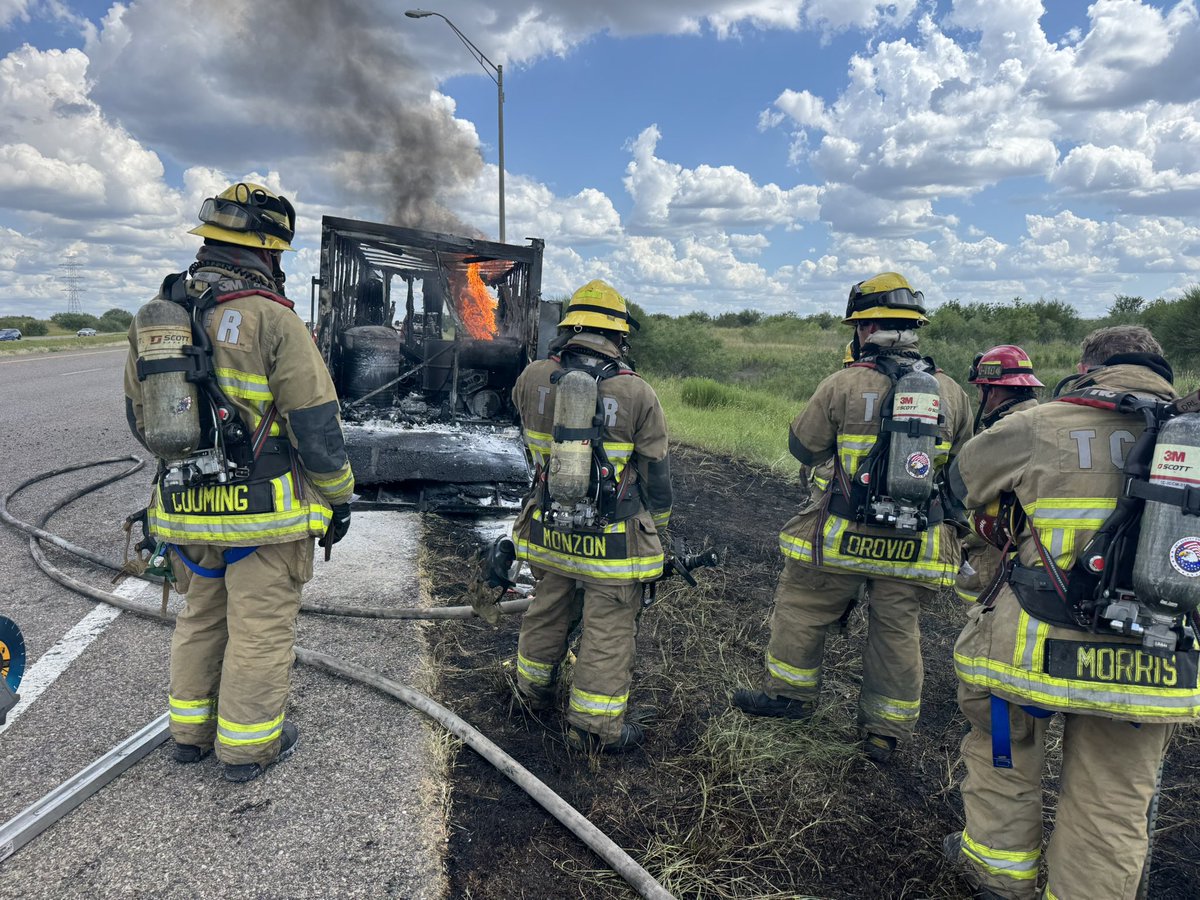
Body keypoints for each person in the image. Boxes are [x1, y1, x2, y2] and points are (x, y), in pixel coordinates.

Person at [944, 326, 1200, 898]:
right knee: (1113, 800)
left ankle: (999, 878)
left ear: (1089, 368)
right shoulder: (1191, 438)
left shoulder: (1041, 423)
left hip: (1026, 657)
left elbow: (961, 480)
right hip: (1152, 668)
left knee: (1003, 753)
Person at [124, 182, 355, 782]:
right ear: (269, 251)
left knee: (199, 616)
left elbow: (139, 418)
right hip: (265, 515)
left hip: (183, 506)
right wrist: (339, 497)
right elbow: (316, 426)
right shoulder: (273, 319)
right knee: (259, 629)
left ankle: (189, 734)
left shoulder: (160, 319)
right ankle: (247, 749)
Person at [732, 272, 972, 764]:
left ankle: (789, 699)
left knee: (802, 609)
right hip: (917, 545)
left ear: (864, 329)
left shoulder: (843, 383)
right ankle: (884, 732)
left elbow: (804, 447)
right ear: (914, 328)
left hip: (841, 535)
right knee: (897, 632)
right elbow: (966, 473)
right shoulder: (952, 394)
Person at [510, 280, 672, 753]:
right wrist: (659, 528)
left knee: (547, 606)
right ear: (619, 336)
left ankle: (529, 694)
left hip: (547, 532)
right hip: (613, 542)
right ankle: (591, 727)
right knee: (608, 626)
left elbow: (528, 443)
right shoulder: (638, 393)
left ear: (568, 330)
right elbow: (656, 476)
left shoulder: (532, 378)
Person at [954, 345, 1042, 605]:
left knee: (985, 627)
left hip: (994, 555)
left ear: (990, 391)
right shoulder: (1046, 422)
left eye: (980, 389)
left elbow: (959, 487)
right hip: (1035, 553)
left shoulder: (1003, 433)